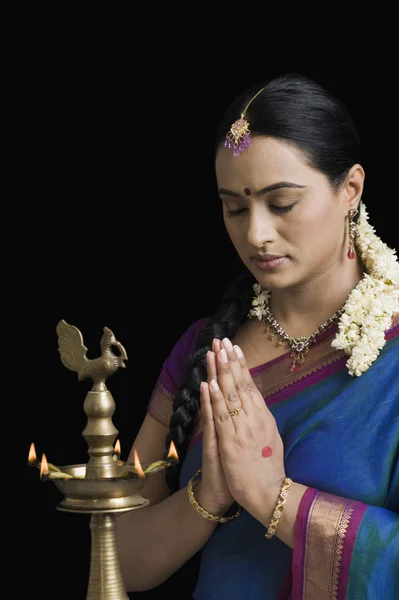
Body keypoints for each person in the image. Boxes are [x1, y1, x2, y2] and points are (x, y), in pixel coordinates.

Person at [115, 72, 399, 599]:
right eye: (236, 207)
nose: (255, 234)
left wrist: (273, 497)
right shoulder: (203, 350)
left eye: (282, 203)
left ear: (351, 189)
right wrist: (207, 494)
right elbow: (118, 563)